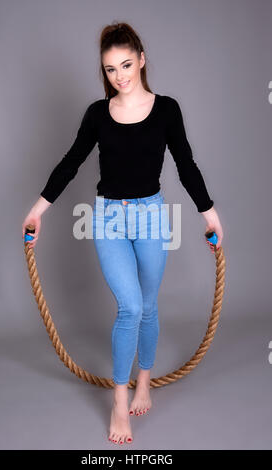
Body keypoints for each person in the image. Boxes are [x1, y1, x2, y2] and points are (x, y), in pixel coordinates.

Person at [22, 22, 223, 445]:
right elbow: (71, 161)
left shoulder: (167, 109)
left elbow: (186, 165)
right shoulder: (97, 114)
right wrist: (38, 211)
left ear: (141, 59)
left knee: (148, 307)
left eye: (126, 64)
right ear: (104, 71)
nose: (120, 75)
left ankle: (144, 382)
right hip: (109, 218)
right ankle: (119, 400)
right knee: (129, 306)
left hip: (152, 217)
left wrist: (210, 215)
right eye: (110, 69)